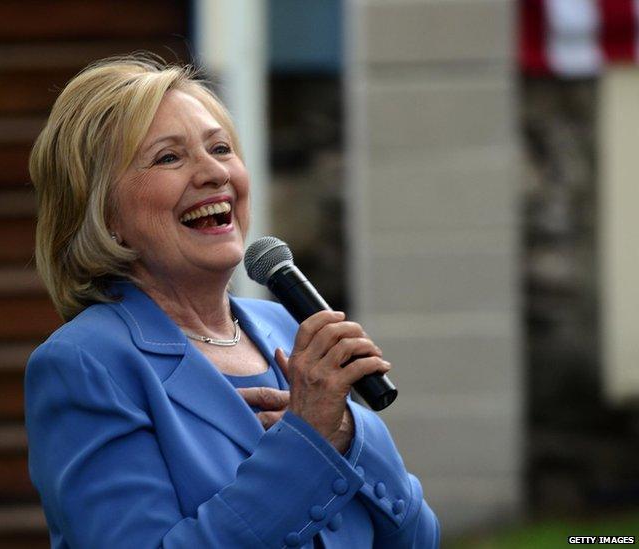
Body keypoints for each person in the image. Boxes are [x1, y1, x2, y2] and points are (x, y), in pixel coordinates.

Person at [25, 55, 440, 548]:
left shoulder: (292, 331)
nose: (212, 173)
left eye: (220, 148)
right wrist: (307, 445)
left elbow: (418, 538)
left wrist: (350, 434)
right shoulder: (86, 365)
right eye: (169, 158)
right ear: (104, 212)